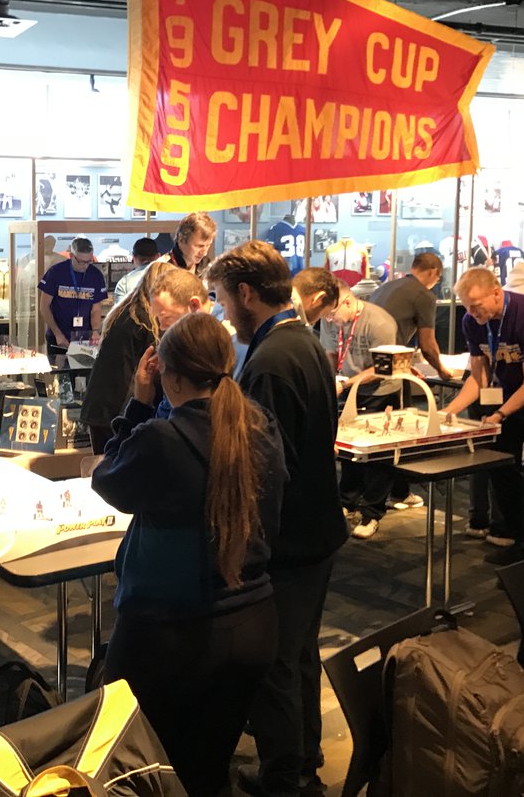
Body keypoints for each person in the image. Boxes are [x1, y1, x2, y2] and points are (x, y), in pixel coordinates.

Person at [92, 312, 285, 797]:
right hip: (252, 624)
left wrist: (138, 404)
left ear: (168, 375)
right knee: (207, 768)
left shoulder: (162, 438)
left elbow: (108, 478)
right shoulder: (259, 428)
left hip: (171, 634)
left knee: (137, 767)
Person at [206, 240, 345, 797]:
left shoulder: (268, 361)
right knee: (299, 654)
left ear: (245, 293)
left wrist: (242, 548)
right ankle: (304, 758)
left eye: (220, 299)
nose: (221, 313)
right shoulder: (304, 341)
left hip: (288, 542)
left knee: (274, 668)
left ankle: (285, 779)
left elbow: (266, 470)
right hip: (318, 531)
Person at [443, 268, 524, 565]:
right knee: (501, 463)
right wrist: (445, 412)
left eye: (476, 304)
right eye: (466, 305)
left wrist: (500, 413)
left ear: (496, 293)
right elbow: (478, 379)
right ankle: (515, 533)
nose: (472, 311)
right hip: (507, 393)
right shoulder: (472, 322)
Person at [81, 266, 208, 453]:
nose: (165, 326)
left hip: (103, 409)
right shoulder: (144, 321)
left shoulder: (126, 311)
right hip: (118, 410)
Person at [321, 280, 411, 539]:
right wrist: (332, 379)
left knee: (377, 455)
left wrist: (349, 381)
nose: (330, 319)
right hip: (346, 389)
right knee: (349, 450)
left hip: (380, 391)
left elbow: (384, 367)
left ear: (348, 302)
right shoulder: (329, 319)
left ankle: (373, 511)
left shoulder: (379, 322)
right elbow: (329, 353)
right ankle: (347, 501)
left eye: (333, 314)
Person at [368, 252, 454, 380]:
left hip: (364, 359)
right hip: (387, 366)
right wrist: (441, 370)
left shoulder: (384, 287)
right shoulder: (424, 295)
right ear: (433, 272)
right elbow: (427, 346)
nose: (436, 282)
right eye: (438, 278)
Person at [38, 237, 107, 357]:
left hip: (84, 337)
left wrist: (95, 331)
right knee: (61, 372)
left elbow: (96, 309)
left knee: (83, 373)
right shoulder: (56, 272)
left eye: (89, 261)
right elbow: (44, 306)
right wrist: (57, 334)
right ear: (71, 256)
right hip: (58, 336)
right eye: (81, 261)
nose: (85, 265)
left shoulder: (95, 275)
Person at [109, 237, 161, 308]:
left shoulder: (124, 283)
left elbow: (120, 313)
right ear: (158, 256)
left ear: (133, 256)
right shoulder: (171, 278)